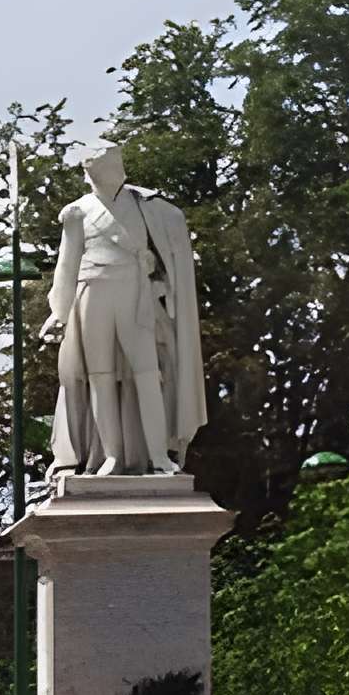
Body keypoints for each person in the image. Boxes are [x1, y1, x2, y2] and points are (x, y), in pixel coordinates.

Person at [41, 141, 206, 476]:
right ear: (93, 173)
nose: (116, 170)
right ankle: (111, 456)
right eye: (107, 165)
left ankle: (159, 456)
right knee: (99, 377)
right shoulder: (77, 212)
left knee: (146, 373)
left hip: (134, 293)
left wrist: (160, 278)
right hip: (92, 294)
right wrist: (58, 313)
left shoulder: (146, 205)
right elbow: (66, 267)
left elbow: (163, 257)